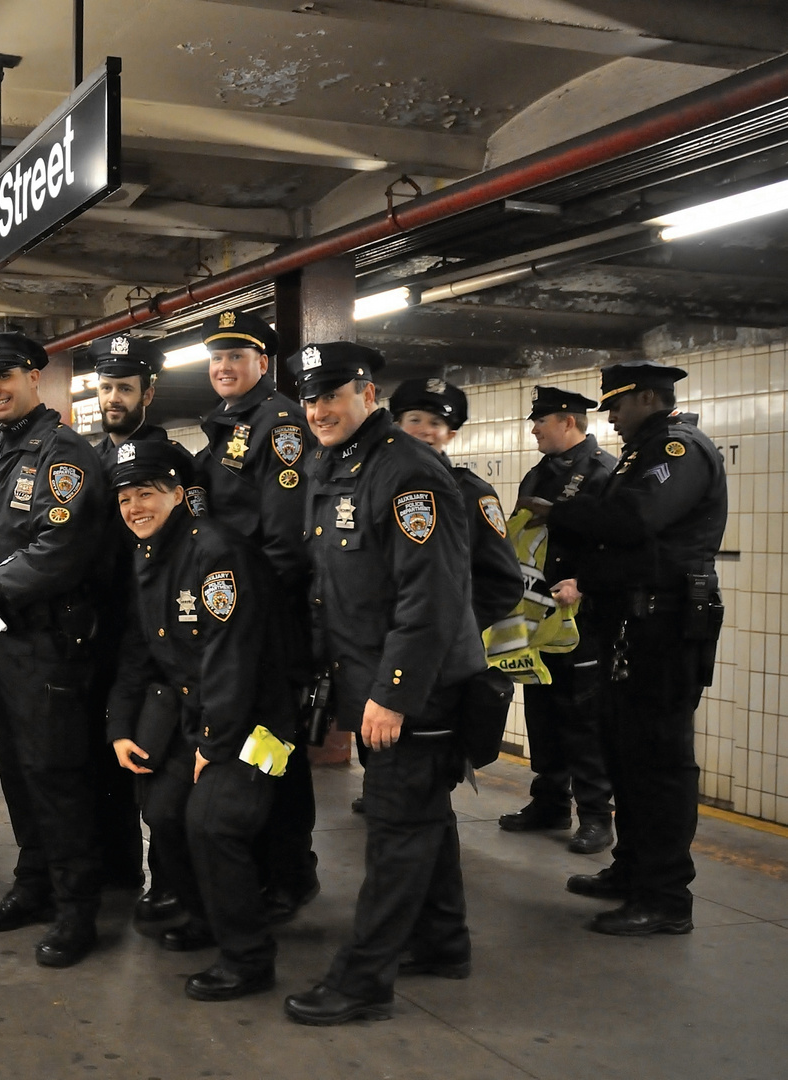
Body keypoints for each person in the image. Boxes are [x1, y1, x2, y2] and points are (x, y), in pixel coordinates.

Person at [283, 342, 488, 1026]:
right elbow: (337, 586)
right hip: (368, 681)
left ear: (367, 393)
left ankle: (364, 978)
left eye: (332, 395)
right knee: (423, 817)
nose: (318, 410)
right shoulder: (336, 462)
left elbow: (428, 598)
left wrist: (392, 692)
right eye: (310, 399)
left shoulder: (406, 470)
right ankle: (442, 940)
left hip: (412, 690)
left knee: (398, 828)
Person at [520, 361, 726, 936]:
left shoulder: (678, 450)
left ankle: (664, 897)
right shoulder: (644, 451)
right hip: (632, 622)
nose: (608, 415)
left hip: (664, 625)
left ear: (649, 398)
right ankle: (633, 869)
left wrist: (563, 513)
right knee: (626, 750)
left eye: (617, 403)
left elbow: (635, 517)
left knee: (659, 760)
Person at [107, 438, 299, 1001]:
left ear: (179, 495)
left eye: (146, 492)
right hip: (200, 715)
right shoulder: (149, 555)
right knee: (163, 810)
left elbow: (232, 660)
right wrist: (120, 726)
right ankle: (203, 916)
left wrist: (210, 746)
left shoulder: (215, 552)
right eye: (124, 498)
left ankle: (248, 958)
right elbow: (138, 654)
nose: (134, 507)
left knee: (212, 820)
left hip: (262, 728)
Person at [0, 328, 109, 968]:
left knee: (56, 776)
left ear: (33, 379)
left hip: (47, 641)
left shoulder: (62, 453)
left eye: (5, 377)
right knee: (19, 775)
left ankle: (78, 910)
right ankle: (35, 885)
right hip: (1, 643)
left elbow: (61, 546)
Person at [191, 308, 320, 926]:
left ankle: (291, 875)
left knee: (275, 749)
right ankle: (273, 867)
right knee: (252, 748)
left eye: (236, 357)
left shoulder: (280, 423)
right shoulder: (229, 423)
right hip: (240, 612)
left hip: (267, 619)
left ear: (262, 364)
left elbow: (285, 541)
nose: (223, 367)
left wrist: (249, 614)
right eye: (216, 357)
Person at [501, 386, 617, 854]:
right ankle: (549, 802)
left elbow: (616, 542)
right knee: (543, 712)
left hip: (581, 617)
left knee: (582, 716)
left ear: (567, 421)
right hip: (538, 614)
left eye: (540, 421)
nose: (533, 429)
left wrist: (583, 582)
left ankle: (595, 816)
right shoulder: (540, 472)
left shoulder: (603, 472)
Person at [86, 332, 178, 918]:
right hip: (103, 631)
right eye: (106, 387)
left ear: (149, 390)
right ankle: (118, 871)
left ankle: (167, 884)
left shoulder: (170, 461)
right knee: (109, 759)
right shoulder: (91, 457)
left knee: (158, 764)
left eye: (124, 387)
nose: (113, 398)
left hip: (158, 635)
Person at [390, 378, 524, 631]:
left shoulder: (473, 494)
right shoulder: (371, 485)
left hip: (444, 655)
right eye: (415, 420)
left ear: (450, 434)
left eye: (436, 423)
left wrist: (454, 629)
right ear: (396, 426)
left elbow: (503, 583)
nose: (424, 430)